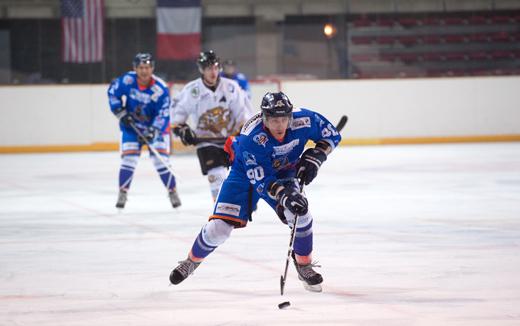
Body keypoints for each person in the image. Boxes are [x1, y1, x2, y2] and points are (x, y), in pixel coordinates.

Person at [169, 91, 342, 292]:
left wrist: (317, 155)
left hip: (284, 171)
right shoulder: (252, 136)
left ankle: (303, 264)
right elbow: (260, 179)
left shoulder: (305, 119)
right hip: (244, 174)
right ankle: (191, 261)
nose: (279, 125)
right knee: (219, 229)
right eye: (273, 120)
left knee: (301, 215)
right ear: (264, 118)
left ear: (290, 116)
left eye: (284, 119)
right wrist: (284, 195)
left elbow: (332, 135)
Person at [171, 50, 253, 201]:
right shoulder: (192, 90)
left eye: (215, 67)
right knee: (217, 178)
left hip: (231, 141)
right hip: (206, 142)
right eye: (209, 68)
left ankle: (240, 205)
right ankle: (222, 211)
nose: (213, 72)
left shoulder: (231, 87)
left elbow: (243, 114)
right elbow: (178, 116)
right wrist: (182, 130)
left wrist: (243, 132)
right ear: (202, 69)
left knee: (241, 178)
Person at [107, 53, 181, 209]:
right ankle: (123, 192)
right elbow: (113, 92)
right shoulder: (127, 80)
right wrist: (120, 112)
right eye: (140, 67)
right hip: (131, 128)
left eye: (147, 67)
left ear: (152, 68)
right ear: (135, 68)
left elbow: (164, 113)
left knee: (161, 161)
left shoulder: (160, 89)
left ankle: (172, 191)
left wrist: (153, 130)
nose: (144, 71)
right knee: (129, 160)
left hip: (156, 130)